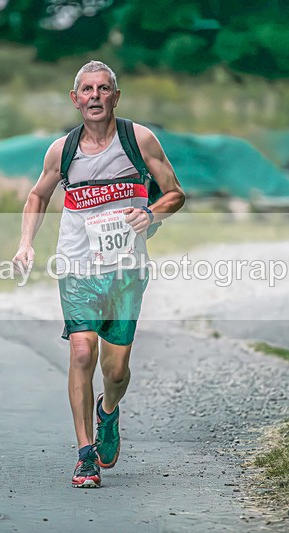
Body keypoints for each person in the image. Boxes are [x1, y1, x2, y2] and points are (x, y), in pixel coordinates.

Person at [12, 60, 185, 488]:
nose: (94, 96)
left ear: (115, 96)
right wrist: (25, 243)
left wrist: (149, 211)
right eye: (87, 90)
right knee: (82, 353)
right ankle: (85, 456)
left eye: (103, 89)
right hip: (78, 265)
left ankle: (108, 412)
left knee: (117, 370)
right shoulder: (62, 150)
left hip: (125, 270)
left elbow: (177, 194)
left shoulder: (139, 140)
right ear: (75, 99)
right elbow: (37, 195)